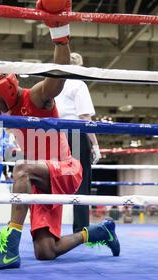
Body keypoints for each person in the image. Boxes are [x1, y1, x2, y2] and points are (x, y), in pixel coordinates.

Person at [0, 0, 120, 270]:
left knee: (21, 168)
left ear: (9, 91)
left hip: (66, 171)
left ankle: (10, 249)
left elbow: (58, 76)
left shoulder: (37, 96)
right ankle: (100, 232)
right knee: (46, 251)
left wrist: (60, 36)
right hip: (41, 179)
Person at [55, 52, 101, 233]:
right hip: (75, 133)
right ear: (80, 67)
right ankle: (81, 231)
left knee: (54, 181)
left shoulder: (54, 84)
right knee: (80, 182)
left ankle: (50, 228)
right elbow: (84, 116)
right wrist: (95, 144)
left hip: (56, 133)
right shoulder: (78, 84)